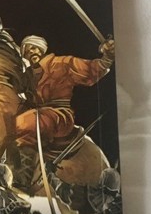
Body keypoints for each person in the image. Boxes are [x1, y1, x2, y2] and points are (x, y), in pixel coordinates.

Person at [13, 34, 115, 189]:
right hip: (37, 113)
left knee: (24, 123)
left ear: (42, 49)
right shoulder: (26, 75)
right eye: (27, 50)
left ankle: (22, 180)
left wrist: (107, 58)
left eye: (34, 47)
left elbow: (88, 70)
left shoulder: (60, 63)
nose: (31, 52)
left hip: (58, 115)